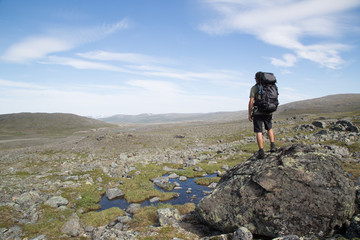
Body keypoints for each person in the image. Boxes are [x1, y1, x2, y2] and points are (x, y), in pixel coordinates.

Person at [248, 71, 276, 159]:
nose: (254, 79)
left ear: (257, 78)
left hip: (257, 112)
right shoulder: (271, 87)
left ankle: (261, 151)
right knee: (269, 128)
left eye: (255, 78)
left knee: (259, 131)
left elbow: (251, 101)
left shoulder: (255, 88)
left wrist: (249, 113)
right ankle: (273, 146)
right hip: (268, 111)